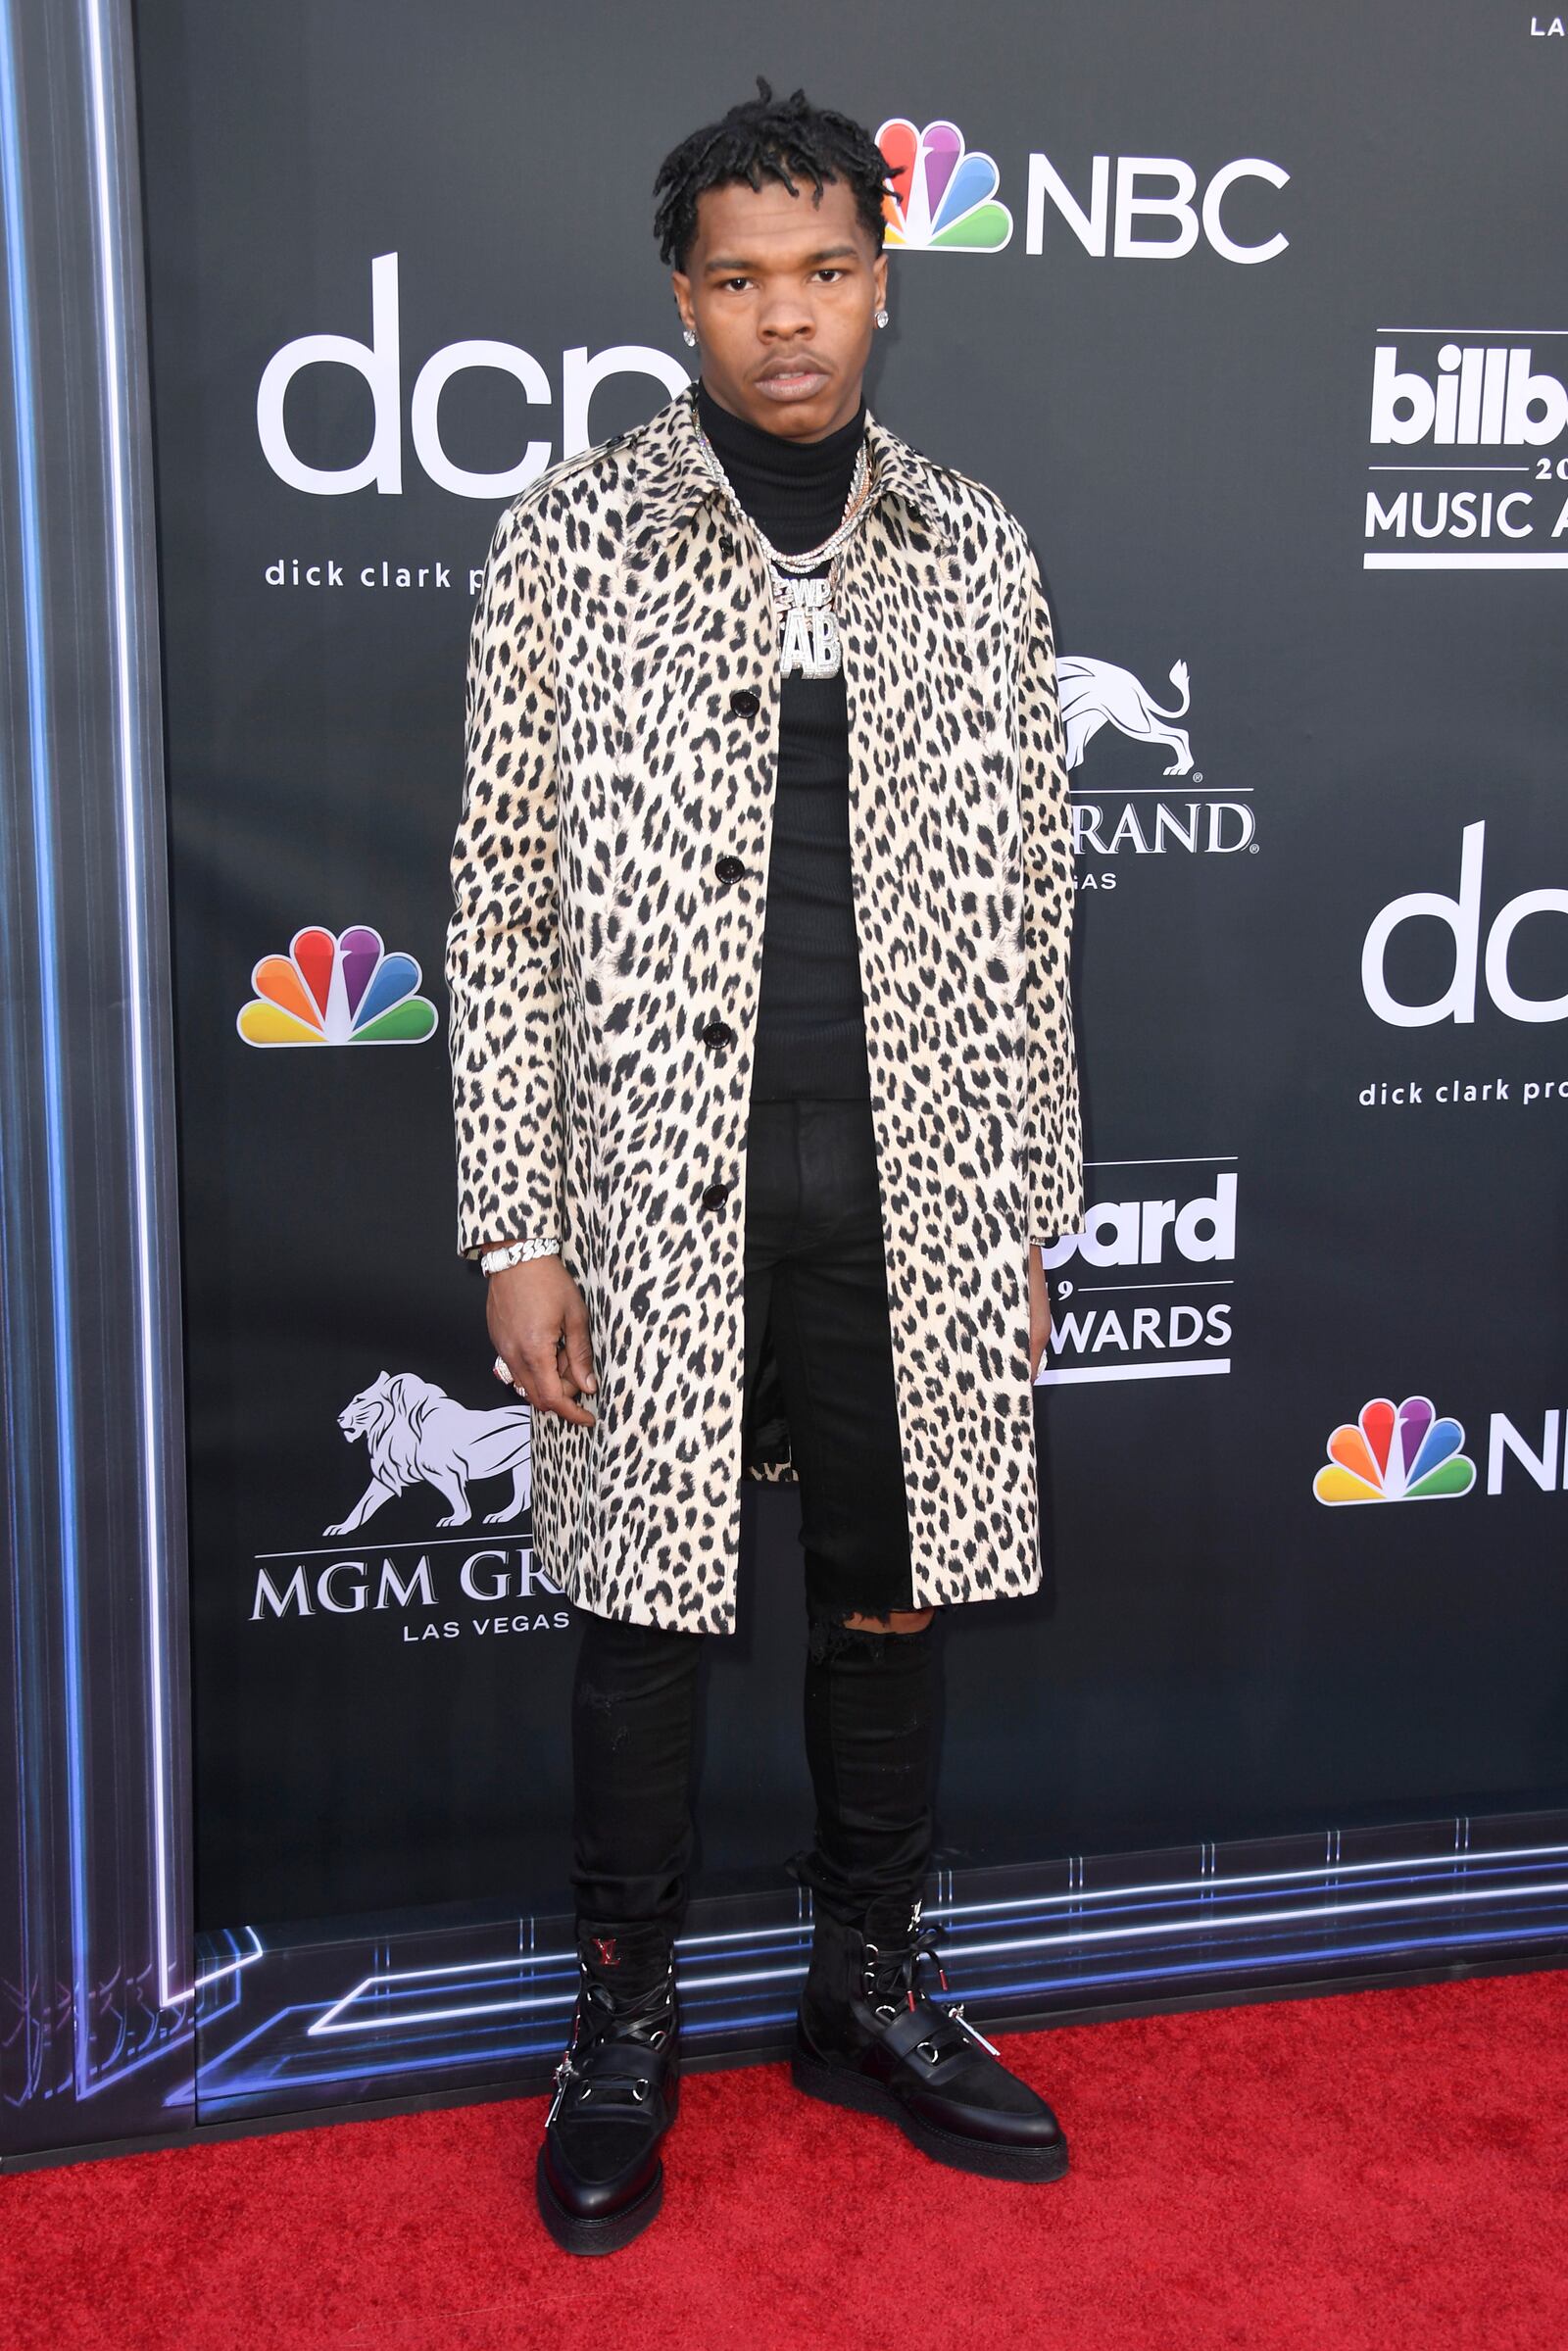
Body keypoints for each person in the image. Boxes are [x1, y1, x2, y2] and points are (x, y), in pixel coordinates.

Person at [444, 77, 1084, 2257]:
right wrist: (516, 1226)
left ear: (881, 287)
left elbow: (1028, 894)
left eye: (822, 273)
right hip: (650, 1180)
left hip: (908, 1173)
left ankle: (866, 1991)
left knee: (888, 1596)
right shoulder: (565, 539)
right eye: (739, 280)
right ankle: (622, 2023)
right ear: (682, 300)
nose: (783, 319)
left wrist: (1013, 1211)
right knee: (639, 1614)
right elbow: (501, 898)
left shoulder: (974, 544)